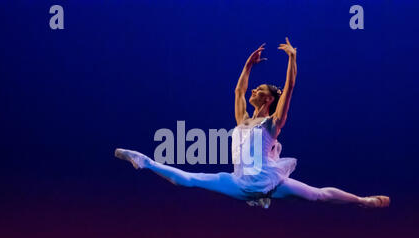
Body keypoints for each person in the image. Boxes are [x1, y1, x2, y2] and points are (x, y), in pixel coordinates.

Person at [115, 38, 390, 209]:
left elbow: (290, 87)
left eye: (259, 89)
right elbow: (237, 93)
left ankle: (362, 201)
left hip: (269, 182)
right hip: (238, 182)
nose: (253, 91)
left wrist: (292, 58)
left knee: (317, 196)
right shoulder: (243, 121)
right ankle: (144, 161)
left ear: (269, 98)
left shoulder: (272, 123)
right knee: (187, 181)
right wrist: (248, 67)